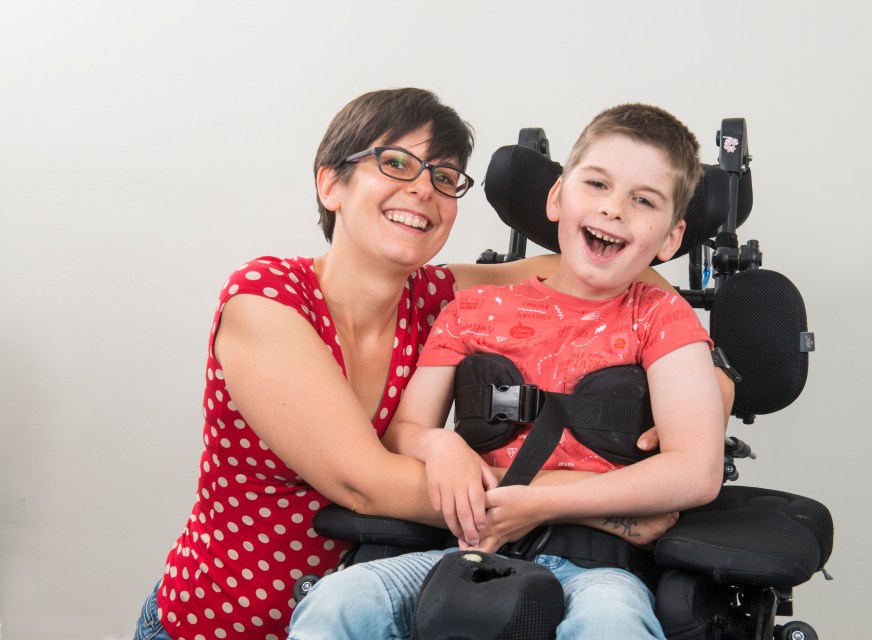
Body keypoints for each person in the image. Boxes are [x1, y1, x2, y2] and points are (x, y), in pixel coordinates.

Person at [133, 88, 689, 640]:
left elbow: (618, 278)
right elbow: (365, 484)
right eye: (395, 163)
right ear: (331, 184)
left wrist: (706, 387)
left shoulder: (439, 299)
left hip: (399, 608)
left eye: (444, 178)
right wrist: (590, 505)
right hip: (219, 623)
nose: (423, 188)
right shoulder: (267, 298)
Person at [287, 102, 727, 640]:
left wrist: (538, 502)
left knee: (612, 624)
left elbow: (696, 471)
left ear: (670, 239)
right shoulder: (472, 310)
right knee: (340, 601)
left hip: (598, 570)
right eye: (597, 185)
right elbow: (405, 431)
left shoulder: (659, 317)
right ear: (556, 198)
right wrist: (440, 447)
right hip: (463, 555)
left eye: (643, 201)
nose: (614, 210)